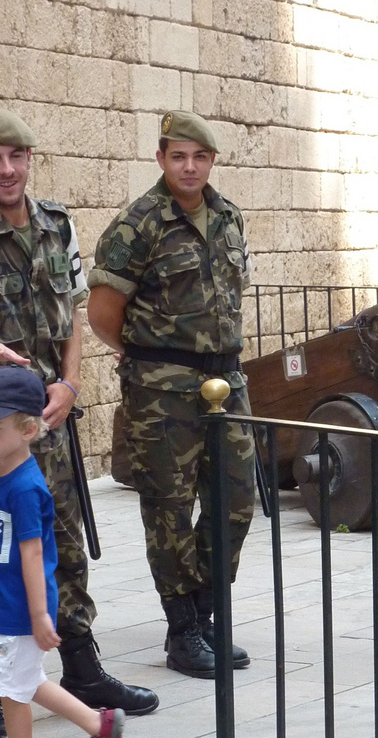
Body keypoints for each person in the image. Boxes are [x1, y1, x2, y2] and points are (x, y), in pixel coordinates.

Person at [0, 107, 158, 738]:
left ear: (30, 160)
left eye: (17, 156)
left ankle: (83, 670)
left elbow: (71, 317)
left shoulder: (57, 225)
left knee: (62, 533)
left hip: (48, 414)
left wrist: (69, 385)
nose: (7, 170)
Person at [87, 110, 255, 679]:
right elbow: (103, 312)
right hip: (162, 390)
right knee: (168, 509)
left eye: (199, 157)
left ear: (212, 162)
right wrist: (143, 356)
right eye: (177, 156)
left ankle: (203, 614)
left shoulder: (229, 216)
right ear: (161, 159)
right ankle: (184, 630)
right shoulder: (139, 224)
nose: (189, 166)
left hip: (226, 383)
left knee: (236, 500)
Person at [0, 367, 124, 738]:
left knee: (13, 683)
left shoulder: (26, 488)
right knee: (22, 681)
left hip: (21, 607)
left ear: (28, 429)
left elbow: (32, 554)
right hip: (11, 604)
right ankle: (99, 725)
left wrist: (41, 614)